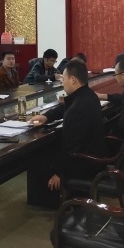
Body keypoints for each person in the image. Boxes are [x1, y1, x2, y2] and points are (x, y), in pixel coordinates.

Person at [30, 60, 106, 192]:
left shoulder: (77, 109)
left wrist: (59, 173)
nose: (62, 83)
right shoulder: (88, 95)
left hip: (84, 165)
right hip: (96, 156)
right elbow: (66, 106)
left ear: (72, 80)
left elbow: (71, 147)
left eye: (63, 79)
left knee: (43, 161)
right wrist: (46, 117)